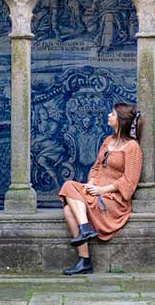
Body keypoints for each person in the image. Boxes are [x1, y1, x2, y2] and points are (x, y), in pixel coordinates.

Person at [58, 102, 143, 275]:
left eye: (112, 114)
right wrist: (92, 182)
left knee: (68, 197)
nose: (108, 116)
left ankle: (84, 236)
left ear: (121, 120)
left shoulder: (133, 148)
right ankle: (84, 258)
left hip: (113, 200)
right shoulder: (108, 140)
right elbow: (96, 166)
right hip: (96, 191)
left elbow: (129, 182)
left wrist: (103, 190)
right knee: (68, 207)